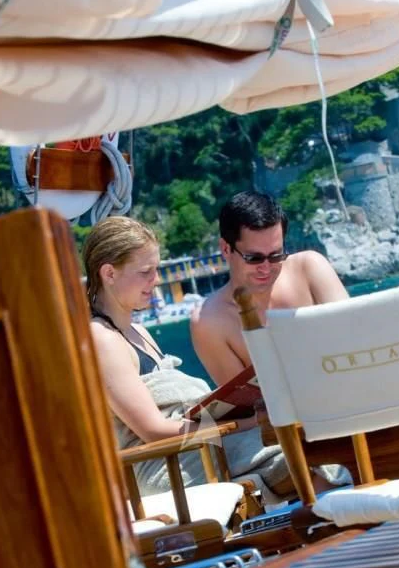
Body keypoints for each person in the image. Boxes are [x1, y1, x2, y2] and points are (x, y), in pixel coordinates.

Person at [83, 216, 317, 499]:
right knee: (302, 447)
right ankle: (339, 523)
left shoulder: (137, 331)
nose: (155, 281)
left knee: (309, 434)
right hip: (167, 464)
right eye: (146, 271)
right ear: (109, 273)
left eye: (156, 270)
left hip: (191, 449)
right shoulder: (102, 340)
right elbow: (154, 431)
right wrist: (248, 422)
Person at [191, 191, 348, 385]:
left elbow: (353, 338)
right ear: (226, 249)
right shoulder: (209, 322)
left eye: (276, 256)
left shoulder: (310, 269)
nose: (266, 267)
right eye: (254, 258)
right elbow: (246, 408)